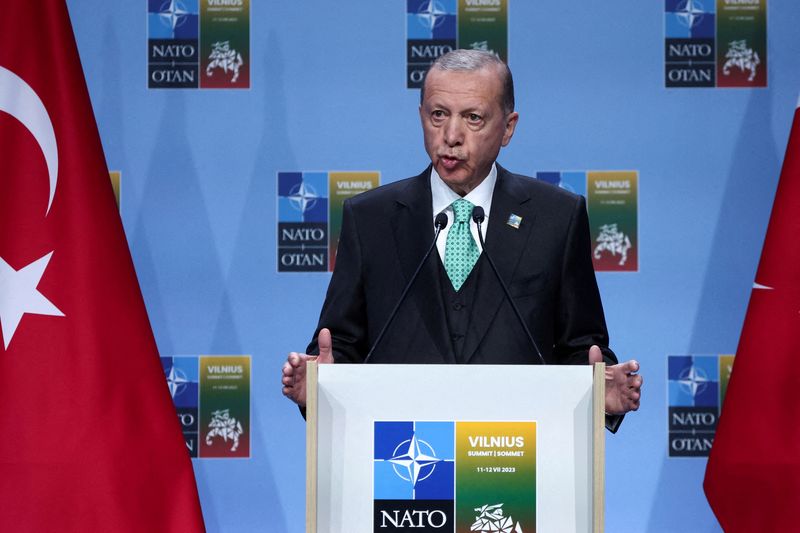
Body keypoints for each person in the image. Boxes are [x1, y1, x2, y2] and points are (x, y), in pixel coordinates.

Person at [281, 50, 642, 430]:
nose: (451, 136)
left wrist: (603, 395)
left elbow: (581, 349)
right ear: (422, 116)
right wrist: (319, 385)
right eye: (439, 115)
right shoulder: (370, 218)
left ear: (508, 127)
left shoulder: (557, 218)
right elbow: (338, 347)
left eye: (473, 118)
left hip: (512, 456)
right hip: (404, 458)